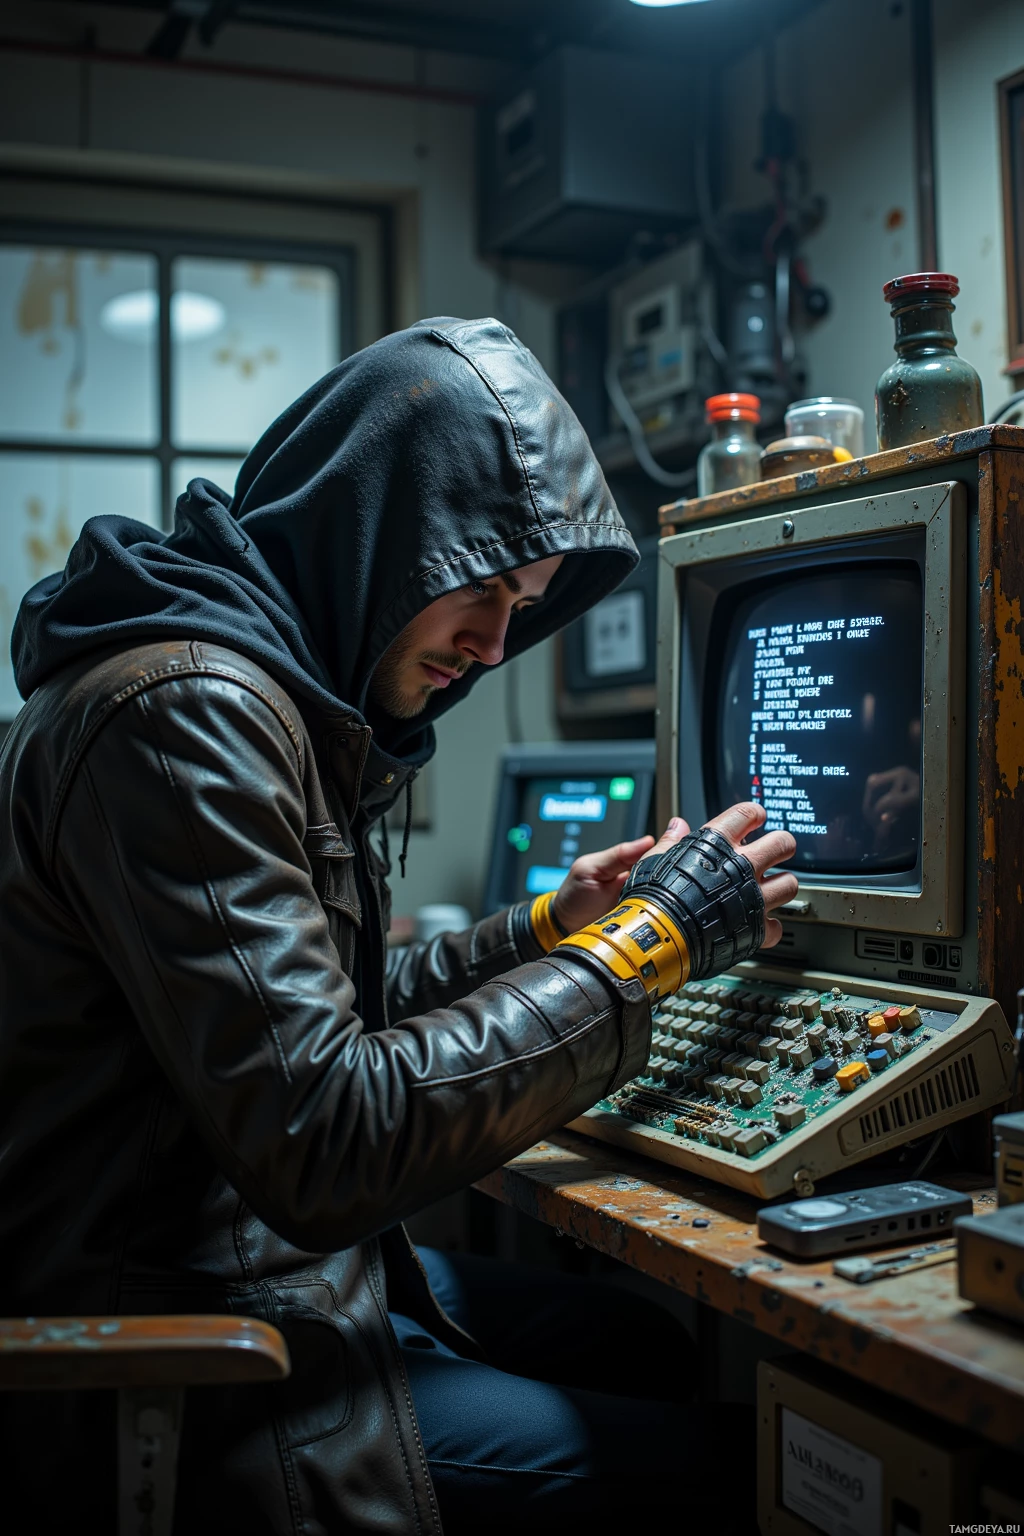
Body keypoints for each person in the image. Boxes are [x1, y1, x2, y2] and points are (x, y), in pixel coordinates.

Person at [0, 317, 797, 1533]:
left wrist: (543, 930)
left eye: (520, 605)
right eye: (479, 591)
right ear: (371, 531)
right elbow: (328, 1137)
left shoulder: (220, 673)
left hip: (238, 1269)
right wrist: (646, 947)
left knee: (631, 1335)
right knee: (735, 1474)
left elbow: (313, 1013)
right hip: (177, 1356)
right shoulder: (189, 714)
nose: (490, 647)